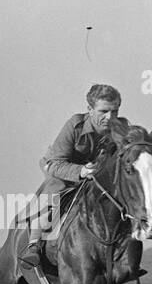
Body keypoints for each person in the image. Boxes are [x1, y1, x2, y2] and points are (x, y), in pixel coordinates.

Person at [20, 84, 127, 269]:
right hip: (62, 171)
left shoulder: (122, 128)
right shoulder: (75, 124)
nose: (110, 118)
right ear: (89, 109)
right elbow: (55, 163)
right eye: (103, 111)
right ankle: (34, 245)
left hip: (97, 179)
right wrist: (81, 172)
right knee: (55, 188)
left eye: (115, 111)